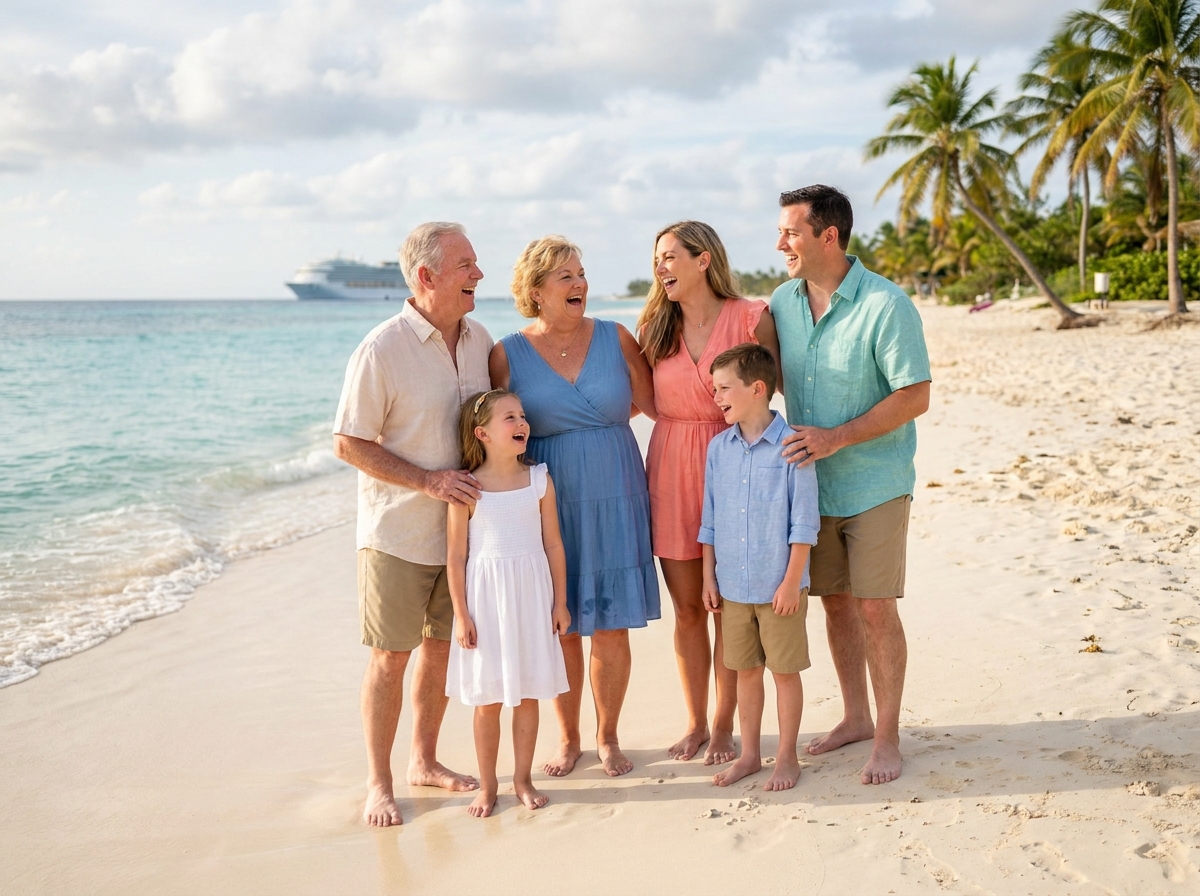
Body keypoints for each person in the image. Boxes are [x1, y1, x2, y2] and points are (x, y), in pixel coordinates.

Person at [770, 185, 932, 785]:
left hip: (876, 481)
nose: (780, 242)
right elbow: (752, 371)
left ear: (827, 236)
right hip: (812, 486)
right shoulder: (783, 302)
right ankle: (856, 717)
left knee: (874, 606)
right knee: (835, 604)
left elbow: (915, 394)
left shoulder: (887, 305)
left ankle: (887, 737)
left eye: (790, 231)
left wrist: (837, 437)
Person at [332, 222, 491, 826]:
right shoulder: (381, 348)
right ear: (426, 277)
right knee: (390, 658)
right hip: (396, 535)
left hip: (460, 538)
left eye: (475, 264)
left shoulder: (479, 340)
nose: (478, 274)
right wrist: (427, 481)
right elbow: (348, 443)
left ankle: (424, 761)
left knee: (441, 650)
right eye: (466, 265)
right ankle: (378, 781)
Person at [489, 235, 659, 778]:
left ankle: (607, 736)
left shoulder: (616, 338)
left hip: (616, 487)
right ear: (536, 290)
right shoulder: (506, 352)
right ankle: (568, 738)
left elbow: (657, 405)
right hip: (547, 497)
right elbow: (495, 431)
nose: (579, 284)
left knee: (610, 623)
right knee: (558, 622)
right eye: (566, 276)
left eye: (581, 274)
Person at [637, 221, 781, 765]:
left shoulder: (750, 316)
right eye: (657, 259)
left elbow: (773, 392)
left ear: (704, 260)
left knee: (733, 609)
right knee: (689, 609)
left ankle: (725, 727)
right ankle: (696, 722)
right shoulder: (653, 324)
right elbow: (634, 398)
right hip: (672, 467)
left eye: (671, 256)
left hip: (738, 466)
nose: (661, 268)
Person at [699, 344, 819, 791]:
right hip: (732, 586)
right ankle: (750, 754)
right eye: (714, 389)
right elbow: (709, 518)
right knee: (745, 672)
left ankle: (787, 758)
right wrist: (709, 575)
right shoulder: (718, 449)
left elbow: (805, 522)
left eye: (724, 388)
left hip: (779, 588)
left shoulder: (793, 446)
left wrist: (791, 582)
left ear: (757, 389)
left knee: (784, 673)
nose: (717, 397)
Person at [446, 389, 571, 817]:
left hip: (532, 599)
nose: (521, 424)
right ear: (482, 433)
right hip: (485, 603)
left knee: (530, 691)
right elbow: (456, 556)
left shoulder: (538, 480)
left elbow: (553, 544)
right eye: (509, 418)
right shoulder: (468, 488)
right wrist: (461, 614)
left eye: (522, 416)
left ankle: (522, 779)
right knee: (488, 698)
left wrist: (560, 603)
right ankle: (487, 785)